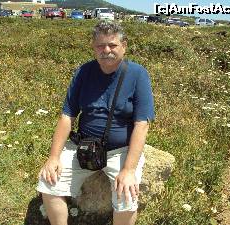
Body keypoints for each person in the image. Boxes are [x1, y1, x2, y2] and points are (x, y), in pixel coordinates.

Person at [37, 21, 155, 225]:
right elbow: (67, 116)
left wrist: (128, 170)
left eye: (112, 45)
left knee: (126, 195)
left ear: (124, 46)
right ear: (93, 47)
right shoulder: (84, 72)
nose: (106, 50)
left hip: (121, 149)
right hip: (84, 146)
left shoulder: (138, 74)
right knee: (48, 183)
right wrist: (54, 157)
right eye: (100, 46)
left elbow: (141, 124)